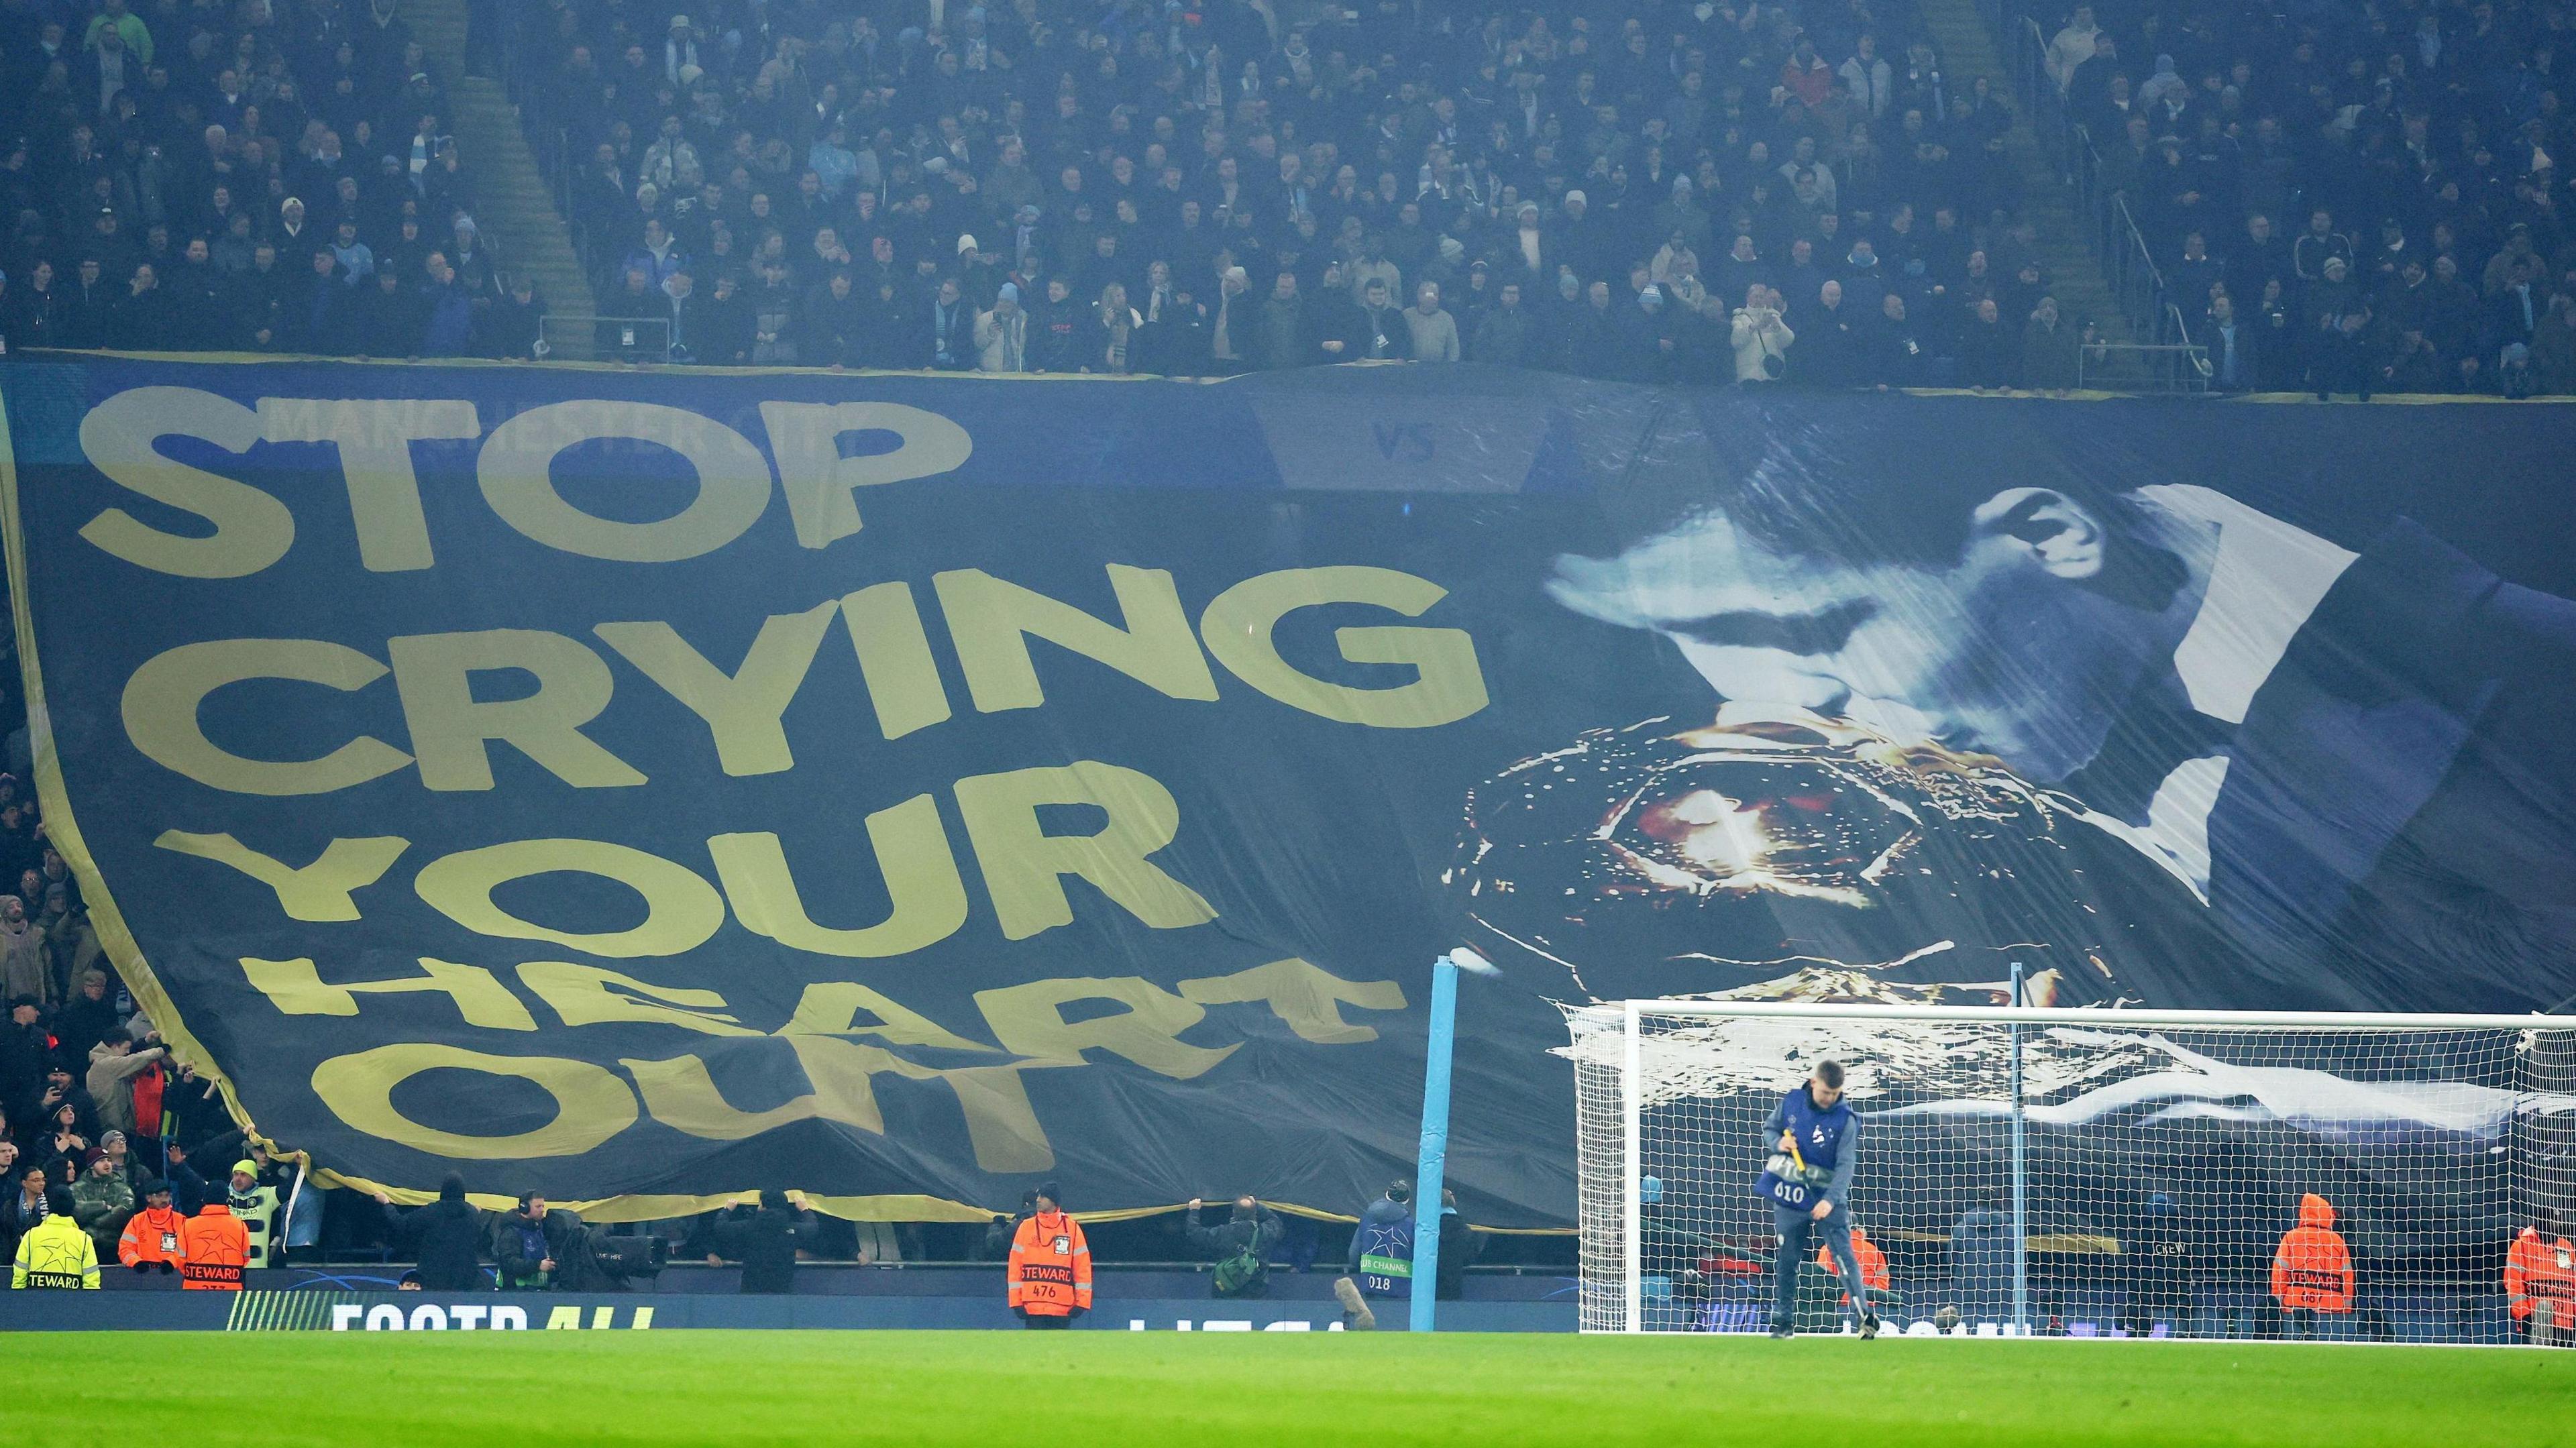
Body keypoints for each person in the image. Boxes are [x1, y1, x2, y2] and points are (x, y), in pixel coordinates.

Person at [1542, 400, 2576, 1011]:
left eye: (1822, 636)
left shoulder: (2520, 685)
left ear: (2051, 536)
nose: (1812, 723)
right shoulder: (2059, 838)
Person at [1757, 1060, 1877, 1339]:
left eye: (1835, 1094)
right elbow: (1770, 1129)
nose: (1830, 1099)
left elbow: (1847, 1164)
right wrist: (1779, 1144)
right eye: (1826, 1093)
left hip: (1827, 1197)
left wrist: (1830, 1200)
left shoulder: (1846, 1119)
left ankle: (1865, 1319)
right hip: (1791, 1193)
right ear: (1814, 1083)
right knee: (1788, 1258)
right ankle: (1784, 1322)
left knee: (1845, 1257)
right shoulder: (1792, 1104)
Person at [374, 1174, 486, 1291]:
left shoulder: (432, 1211)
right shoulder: (472, 1213)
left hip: (433, 1275)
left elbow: (401, 1223)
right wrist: (475, 1212)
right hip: (465, 1277)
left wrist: (386, 1204)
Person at [1006, 1180, 1090, 1327]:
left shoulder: (1072, 1229)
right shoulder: (1026, 1227)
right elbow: (1015, 1267)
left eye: (1043, 1197)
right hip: (1033, 1307)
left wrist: (1083, 1302)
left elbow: (1082, 1269)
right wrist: (1015, 1301)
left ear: (1054, 1201)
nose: (1038, 1200)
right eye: (1038, 1196)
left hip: (1062, 1307)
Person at [1336, 1177, 1416, 1330]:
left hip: (1370, 1287)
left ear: (1387, 1194)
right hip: (1401, 1290)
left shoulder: (1366, 1219)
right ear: (1406, 1200)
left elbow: (1353, 1256)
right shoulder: (1411, 1225)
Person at [2270, 1192, 2354, 1338]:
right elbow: (2347, 1277)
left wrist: (2279, 1305)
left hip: (2294, 1309)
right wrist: (2346, 1310)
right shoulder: (2337, 1240)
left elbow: (2279, 1273)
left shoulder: (2291, 1237)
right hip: (2331, 1311)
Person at [1183, 1193, 1285, 1299]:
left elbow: (1195, 1233)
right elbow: (1276, 1221)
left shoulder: (1223, 1233)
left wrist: (1194, 1211)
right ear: (1255, 1213)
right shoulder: (1266, 1232)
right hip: (1257, 1289)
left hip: (1227, 1288)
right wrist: (1257, 1205)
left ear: (1233, 1212)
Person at [706, 1188, 807, 1294]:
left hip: (752, 1284)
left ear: (762, 1206)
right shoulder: (792, 1229)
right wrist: (805, 1210)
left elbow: (721, 1227)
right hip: (783, 1285)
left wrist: (726, 1210)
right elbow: (813, 1227)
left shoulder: (748, 1226)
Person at [2504, 1223, 2574, 1347]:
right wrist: (2524, 1316)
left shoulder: (2567, 1247)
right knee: (2538, 1365)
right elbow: (2513, 1284)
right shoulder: (2521, 1246)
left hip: (2565, 1324)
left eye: (2558, 1220)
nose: (2555, 1224)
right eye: (2552, 1220)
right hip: (2534, 1322)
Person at [11, 1187, 95, 1288]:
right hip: (72, 1301)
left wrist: (19, 1298)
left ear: (49, 1206)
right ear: (72, 1206)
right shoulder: (84, 1239)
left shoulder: (31, 1235)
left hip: (35, 1300)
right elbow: (91, 1280)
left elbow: (20, 1274)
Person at [117, 1177, 186, 1276]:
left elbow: (186, 1249)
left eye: (167, 1196)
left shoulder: (181, 1221)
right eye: (159, 1196)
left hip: (173, 1274)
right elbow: (125, 1249)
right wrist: (136, 1262)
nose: (164, 1200)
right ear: (149, 1198)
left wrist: (171, 1262)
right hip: (142, 1276)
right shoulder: (137, 1221)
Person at [176, 1194, 248, 1290]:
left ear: (204, 1200)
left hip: (194, 1287)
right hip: (231, 1289)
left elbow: (180, 1254)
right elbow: (246, 1255)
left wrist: (193, 1273)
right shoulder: (240, 1225)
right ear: (227, 1200)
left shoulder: (188, 1224)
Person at [1730, 284, 1793, 384]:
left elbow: (1788, 341)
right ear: (1748, 298)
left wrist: (1778, 328)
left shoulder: (1773, 315)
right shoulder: (1740, 317)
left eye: (1762, 297)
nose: (1758, 299)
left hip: (1773, 374)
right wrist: (1752, 327)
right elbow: (1736, 342)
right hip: (1750, 375)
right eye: (1756, 296)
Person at [495, 1193, 559, 1289]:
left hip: (538, 1289)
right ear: (525, 1208)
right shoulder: (511, 1233)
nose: (542, 1210)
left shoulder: (539, 1228)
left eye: (543, 1206)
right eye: (538, 1206)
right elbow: (508, 1263)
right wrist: (538, 1266)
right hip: (515, 1291)